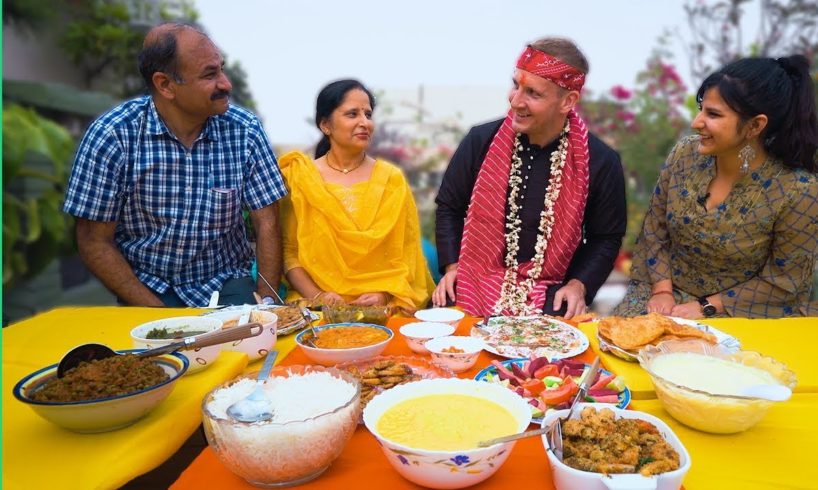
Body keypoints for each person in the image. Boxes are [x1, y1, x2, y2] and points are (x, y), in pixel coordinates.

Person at [63, 23, 287, 307]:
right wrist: (158, 316)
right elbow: (94, 241)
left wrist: (267, 304)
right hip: (148, 285)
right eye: (210, 74)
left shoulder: (245, 130)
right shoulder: (113, 135)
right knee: (157, 349)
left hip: (226, 279)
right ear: (165, 85)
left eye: (221, 69)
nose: (226, 84)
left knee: (255, 343)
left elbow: (267, 221)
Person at [433, 38, 626, 319]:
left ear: (568, 101)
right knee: (442, 335)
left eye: (533, 93)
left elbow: (605, 237)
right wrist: (452, 268)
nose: (515, 100)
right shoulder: (481, 140)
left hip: (549, 288)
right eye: (516, 85)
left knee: (556, 347)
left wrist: (578, 285)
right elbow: (449, 207)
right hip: (474, 276)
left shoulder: (599, 161)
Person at [614, 55, 818, 319]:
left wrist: (706, 307)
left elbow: (782, 281)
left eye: (713, 114)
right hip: (658, 294)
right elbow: (655, 230)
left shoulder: (798, 191)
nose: (696, 122)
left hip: (738, 313)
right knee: (615, 347)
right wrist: (662, 290)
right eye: (701, 108)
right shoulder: (685, 155)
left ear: (755, 125)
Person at [278, 79, 434, 311]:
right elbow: (290, 253)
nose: (365, 123)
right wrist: (320, 297)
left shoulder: (391, 180)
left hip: (381, 307)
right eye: (352, 114)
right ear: (325, 125)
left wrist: (383, 295)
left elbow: (407, 254)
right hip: (315, 305)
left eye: (368, 114)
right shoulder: (300, 177)